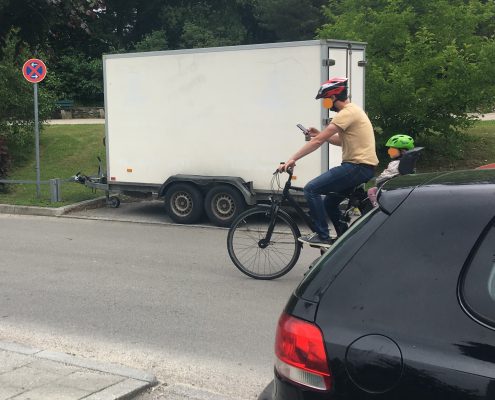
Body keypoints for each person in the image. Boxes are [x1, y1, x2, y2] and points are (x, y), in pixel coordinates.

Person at [278, 77, 379, 247]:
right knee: (329, 203)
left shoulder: (346, 112)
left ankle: (322, 235)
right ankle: (344, 241)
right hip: (362, 168)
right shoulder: (353, 111)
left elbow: (316, 143)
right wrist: (319, 134)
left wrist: (292, 159)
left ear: (333, 97)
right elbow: (340, 140)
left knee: (311, 189)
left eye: (325, 100)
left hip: (356, 167)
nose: (326, 104)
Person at [367, 134, 415, 207]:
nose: (389, 152)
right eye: (389, 150)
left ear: (402, 151)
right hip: (396, 187)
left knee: (371, 191)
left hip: (387, 188)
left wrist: (377, 181)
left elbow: (384, 176)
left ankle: (377, 208)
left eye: (392, 150)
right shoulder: (407, 163)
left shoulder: (395, 163)